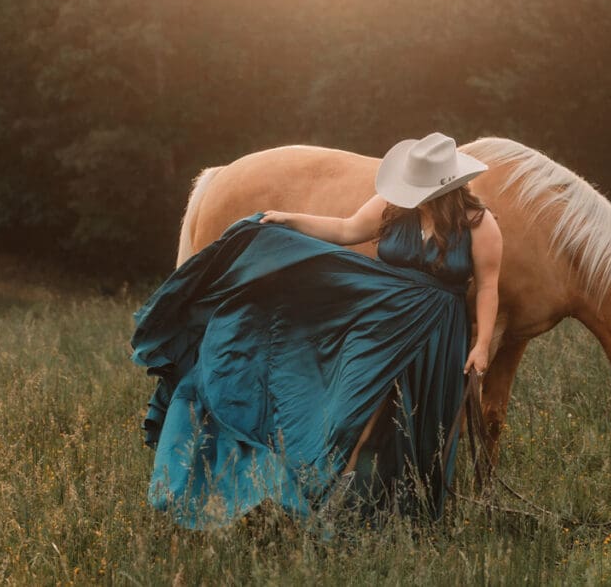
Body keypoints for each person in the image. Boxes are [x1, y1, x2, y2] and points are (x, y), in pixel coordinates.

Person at [130, 132, 502, 530]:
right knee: (348, 412)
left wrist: (481, 345)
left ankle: (396, 514)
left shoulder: (479, 224)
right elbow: (345, 229)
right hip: (380, 321)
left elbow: (488, 286)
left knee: (412, 422)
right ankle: (325, 500)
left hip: (436, 333)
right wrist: (289, 219)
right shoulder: (397, 205)